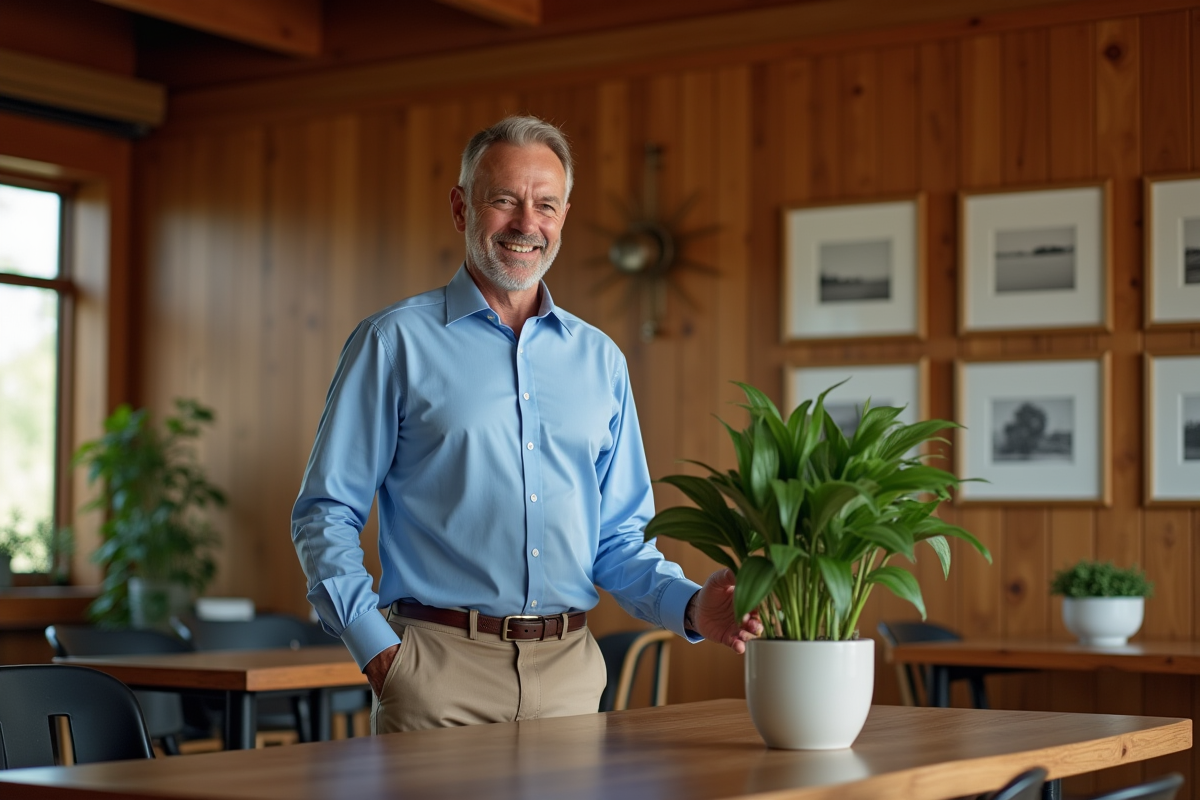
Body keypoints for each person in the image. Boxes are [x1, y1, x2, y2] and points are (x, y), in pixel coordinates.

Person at [291, 115, 760, 734]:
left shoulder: (601, 361)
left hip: (571, 677)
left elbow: (619, 541)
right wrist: (378, 652)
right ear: (461, 208)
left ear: (563, 216)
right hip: (436, 675)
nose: (526, 223)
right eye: (504, 200)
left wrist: (694, 607)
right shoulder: (393, 343)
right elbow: (325, 512)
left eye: (546, 204)